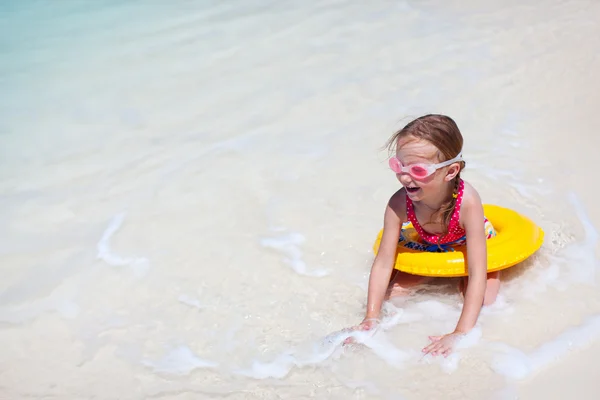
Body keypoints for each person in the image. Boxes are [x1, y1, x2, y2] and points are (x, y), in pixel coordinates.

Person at [347, 114, 500, 357]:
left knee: (487, 303)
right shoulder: (399, 202)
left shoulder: (467, 203)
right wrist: (370, 317)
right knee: (393, 297)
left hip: (468, 243)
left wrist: (459, 332)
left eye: (418, 169)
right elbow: (384, 262)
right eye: (399, 165)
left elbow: (477, 270)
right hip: (431, 244)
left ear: (450, 171)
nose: (405, 177)